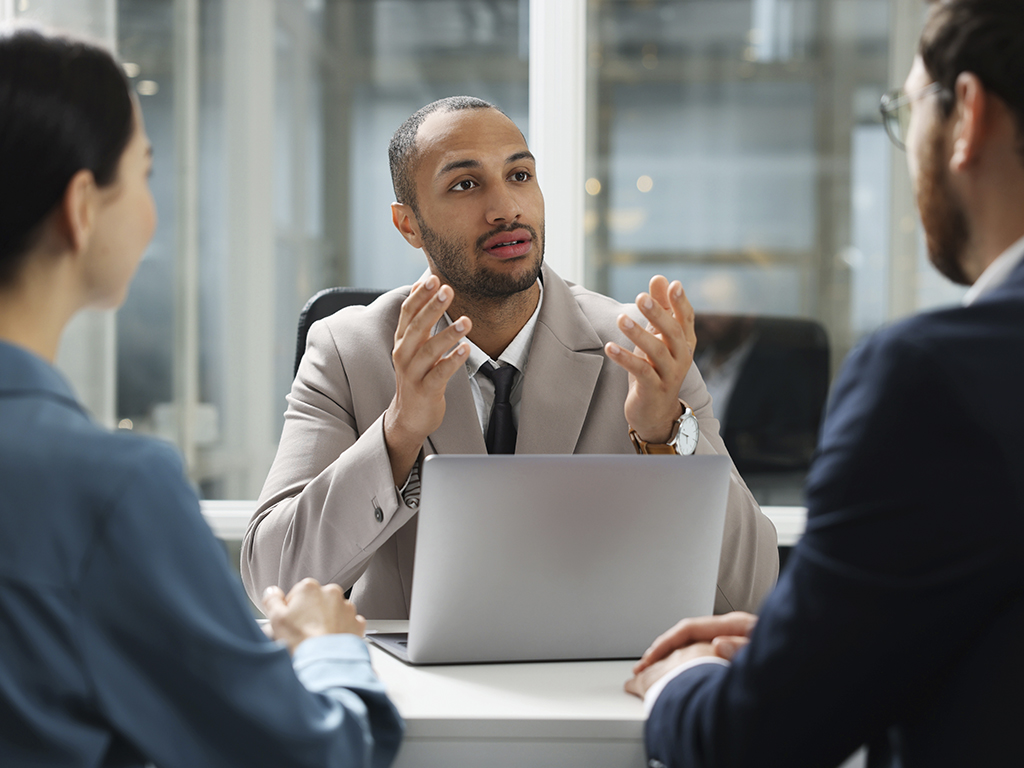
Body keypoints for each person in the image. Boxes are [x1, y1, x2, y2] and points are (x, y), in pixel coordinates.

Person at [624, 1, 1024, 766]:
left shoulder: (932, 378)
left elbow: (753, 740)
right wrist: (822, 644)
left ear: (967, 115)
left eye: (908, 113)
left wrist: (680, 679)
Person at [0, 27, 402, 768]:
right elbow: (310, 757)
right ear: (82, 207)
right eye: (144, 172)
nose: (152, 209)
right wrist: (330, 651)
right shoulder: (108, 490)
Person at [241, 96, 779, 618]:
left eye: (519, 175)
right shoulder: (347, 350)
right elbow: (273, 582)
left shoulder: (640, 348)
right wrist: (398, 433)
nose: (506, 209)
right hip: (413, 677)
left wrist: (665, 435)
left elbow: (753, 593)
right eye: (465, 184)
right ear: (409, 225)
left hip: (597, 674)